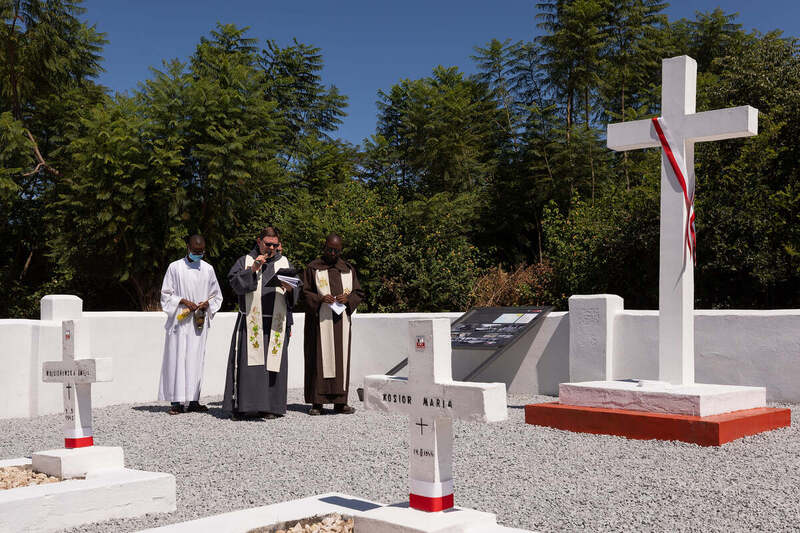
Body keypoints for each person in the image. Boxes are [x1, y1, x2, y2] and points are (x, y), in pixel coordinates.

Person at [223, 226, 300, 420]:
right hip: (251, 322)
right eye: (268, 244)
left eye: (275, 245)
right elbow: (234, 284)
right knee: (249, 368)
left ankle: (270, 407)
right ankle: (245, 407)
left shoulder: (284, 262)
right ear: (259, 242)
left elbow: (296, 291)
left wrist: (290, 289)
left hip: (276, 323)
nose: (271, 248)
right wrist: (253, 270)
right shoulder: (246, 261)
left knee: (272, 367)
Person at [158, 235, 223, 415]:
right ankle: (176, 402)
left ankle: (194, 400)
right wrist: (184, 301)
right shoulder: (175, 267)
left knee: (196, 359)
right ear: (187, 247)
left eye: (201, 252)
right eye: (195, 251)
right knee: (177, 359)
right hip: (179, 320)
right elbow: (165, 294)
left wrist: (207, 304)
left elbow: (216, 295)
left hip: (198, 320)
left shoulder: (208, 269)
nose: (198, 254)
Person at [302, 233, 364, 415]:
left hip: (341, 323)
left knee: (340, 360)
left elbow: (358, 292)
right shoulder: (313, 268)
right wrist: (320, 298)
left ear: (340, 250)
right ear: (324, 246)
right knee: (319, 359)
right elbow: (304, 293)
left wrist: (348, 298)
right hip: (320, 323)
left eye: (336, 250)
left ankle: (340, 402)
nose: (332, 253)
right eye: (329, 249)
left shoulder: (348, 269)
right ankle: (317, 403)